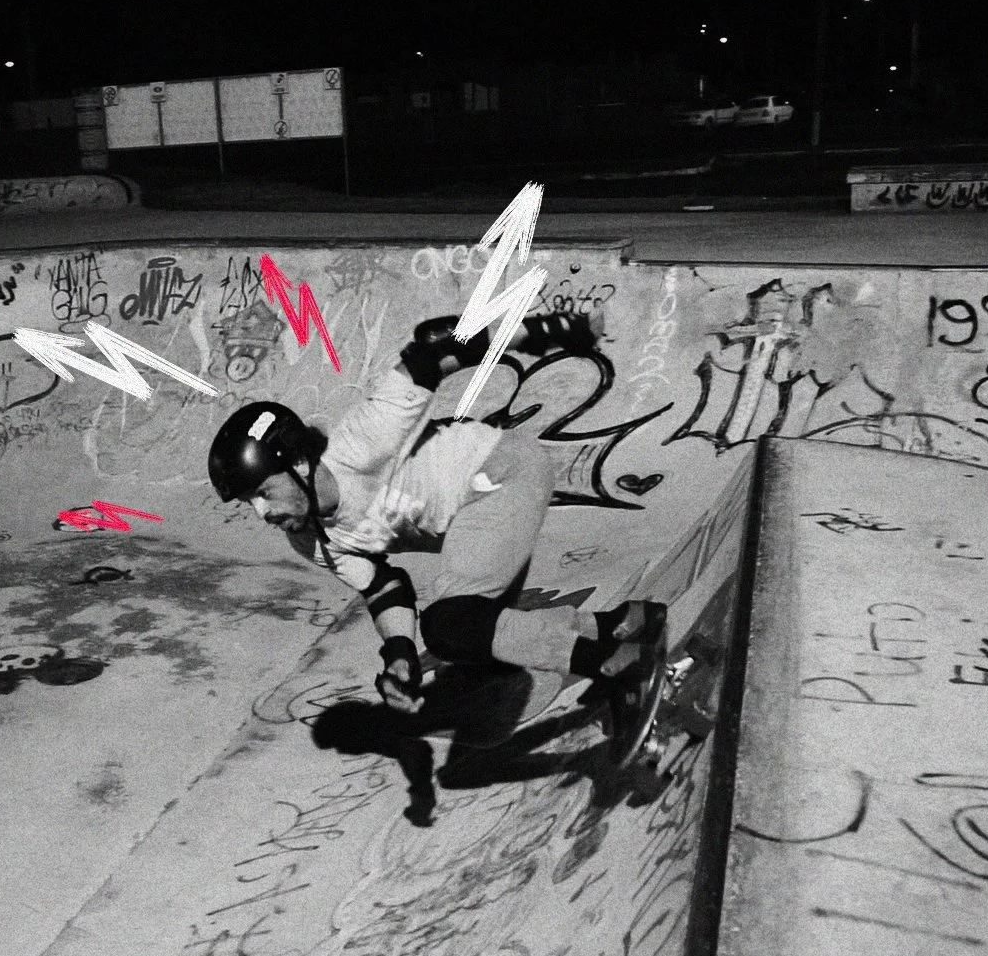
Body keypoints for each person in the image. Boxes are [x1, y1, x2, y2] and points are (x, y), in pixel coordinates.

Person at [208, 313, 666, 756]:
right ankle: (624, 623)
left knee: (451, 624)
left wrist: (551, 331)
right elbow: (383, 587)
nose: (262, 511)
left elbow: (434, 352)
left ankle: (618, 666)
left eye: (264, 493)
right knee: (481, 644)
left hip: (502, 471)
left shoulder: (361, 441)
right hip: (474, 519)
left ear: (299, 464)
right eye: (249, 503)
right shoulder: (312, 540)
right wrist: (400, 654)